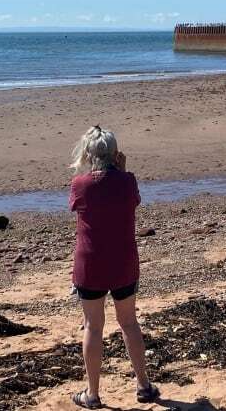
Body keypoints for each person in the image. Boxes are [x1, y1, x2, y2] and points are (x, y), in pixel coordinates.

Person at [68, 126, 160, 409]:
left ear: (87, 154)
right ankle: (143, 385)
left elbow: (78, 206)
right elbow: (131, 200)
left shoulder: (80, 184)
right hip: (123, 262)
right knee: (129, 323)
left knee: (93, 327)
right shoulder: (127, 182)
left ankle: (93, 394)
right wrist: (122, 172)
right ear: (115, 154)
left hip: (91, 264)